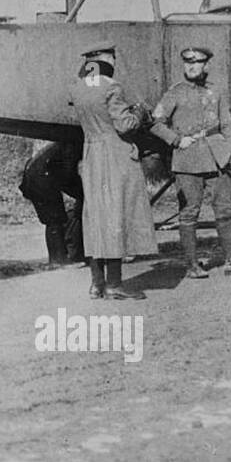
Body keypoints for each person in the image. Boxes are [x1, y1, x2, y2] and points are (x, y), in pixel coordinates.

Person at [149, 46, 231, 280]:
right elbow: (156, 123)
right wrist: (176, 140)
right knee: (189, 213)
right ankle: (192, 265)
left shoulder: (215, 91)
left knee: (225, 211)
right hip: (188, 161)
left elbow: (227, 124)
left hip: (218, 158)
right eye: (187, 63)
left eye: (196, 63)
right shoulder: (175, 93)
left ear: (206, 65)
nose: (191, 66)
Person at [70, 44, 157, 299]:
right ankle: (115, 284)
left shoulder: (78, 88)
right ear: (106, 59)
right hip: (116, 155)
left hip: (92, 154)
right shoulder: (112, 88)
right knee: (117, 215)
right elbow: (124, 125)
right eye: (112, 57)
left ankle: (96, 284)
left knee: (96, 217)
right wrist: (139, 113)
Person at [19, 141, 84, 266]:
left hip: (35, 175)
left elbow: (66, 177)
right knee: (54, 219)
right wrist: (81, 194)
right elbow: (68, 176)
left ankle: (56, 259)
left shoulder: (62, 145)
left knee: (52, 220)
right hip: (42, 178)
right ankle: (58, 261)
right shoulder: (73, 146)